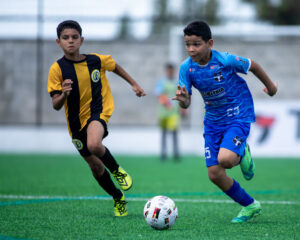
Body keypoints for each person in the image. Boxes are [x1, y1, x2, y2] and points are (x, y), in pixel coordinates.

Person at [172, 20, 277, 223]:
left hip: (238, 114)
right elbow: (185, 103)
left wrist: (271, 87)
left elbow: (252, 65)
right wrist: (184, 101)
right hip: (212, 121)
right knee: (214, 174)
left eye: (196, 44)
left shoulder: (225, 60)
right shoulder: (186, 68)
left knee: (226, 160)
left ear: (209, 43)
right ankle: (250, 205)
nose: (191, 49)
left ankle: (242, 150)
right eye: (187, 44)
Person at [47, 20, 146, 217]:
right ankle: (118, 197)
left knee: (94, 144)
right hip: (75, 123)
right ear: (59, 42)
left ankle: (118, 170)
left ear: (81, 40)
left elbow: (115, 66)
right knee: (96, 167)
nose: (71, 41)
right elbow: (56, 105)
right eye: (66, 38)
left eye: (75, 37)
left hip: (98, 111)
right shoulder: (56, 69)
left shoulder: (95, 60)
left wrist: (133, 84)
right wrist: (64, 95)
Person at [154, 63, 181, 161]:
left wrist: (183, 109)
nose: (170, 72)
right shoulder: (161, 82)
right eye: (169, 70)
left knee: (174, 132)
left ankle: (176, 153)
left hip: (174, 112)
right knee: (164, 133)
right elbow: (158, 94)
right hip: (163, 112)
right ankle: (163, 153)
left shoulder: (177, 82)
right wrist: (167, 103)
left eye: (172, 70)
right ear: (166, 71)